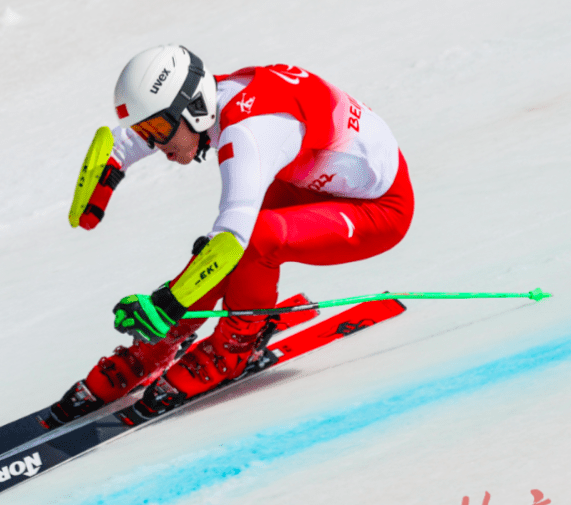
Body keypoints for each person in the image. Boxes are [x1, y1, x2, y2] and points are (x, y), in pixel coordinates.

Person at [48, 45, 413, 424]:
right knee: (232, 240)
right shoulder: (210, 99)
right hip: (313, 181)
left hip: (381, 208)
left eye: (158, 131)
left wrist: (164, 303)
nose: (157, 145)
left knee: (254, 238)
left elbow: (232, 239)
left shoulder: (248, 133)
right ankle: (164, 338)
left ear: (194, 111)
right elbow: (131, 138)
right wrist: (110, 168)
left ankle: (235, 346)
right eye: (148, 131)